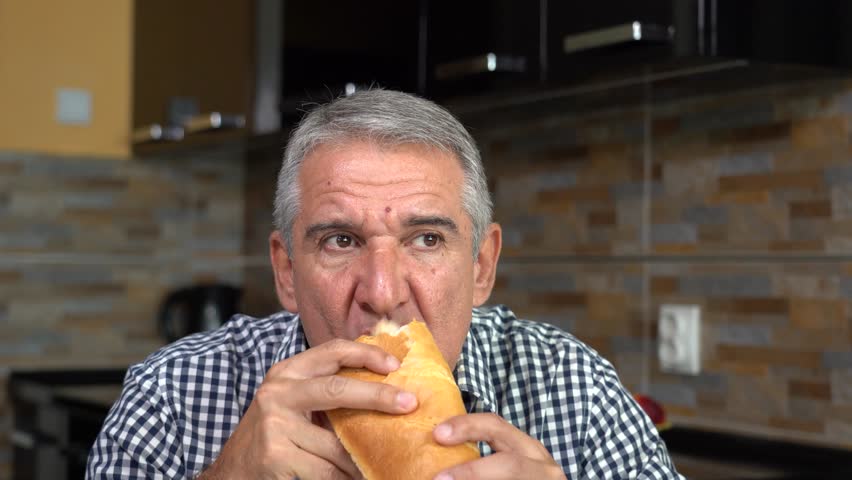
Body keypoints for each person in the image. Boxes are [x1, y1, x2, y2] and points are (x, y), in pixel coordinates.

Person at [87, 89, 682, 480]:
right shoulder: (173, 394)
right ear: (286, 271)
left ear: (481, 266)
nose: (381, 291)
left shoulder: (573, 391)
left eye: (426, 239)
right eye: (340, 241)